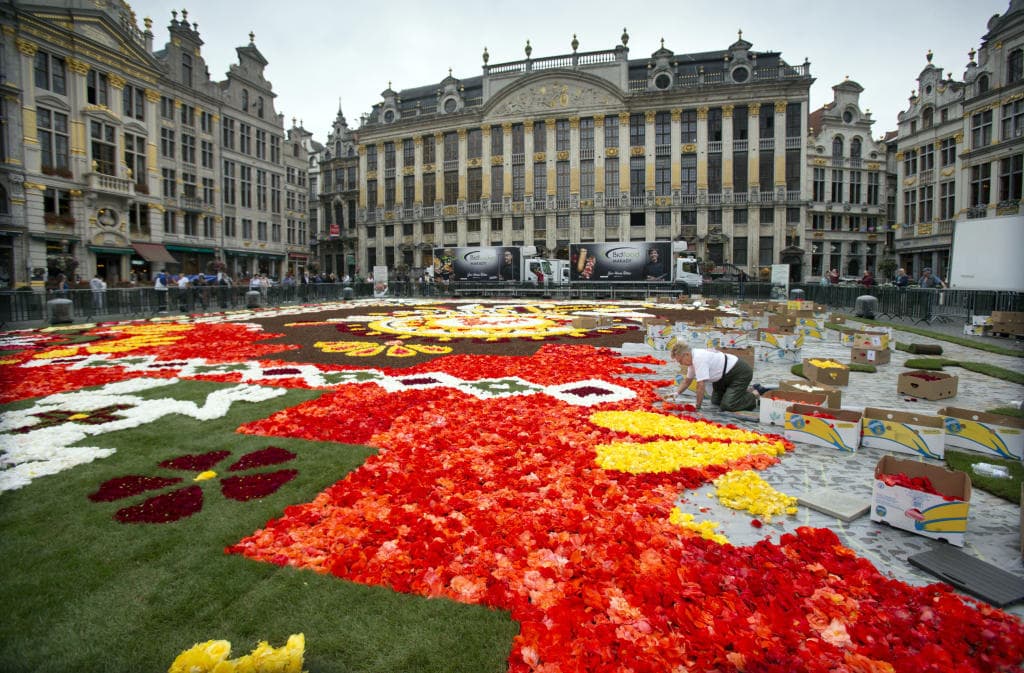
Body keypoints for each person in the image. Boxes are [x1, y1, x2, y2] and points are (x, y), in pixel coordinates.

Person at [670, 342, 758, 412]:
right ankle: (741, 392)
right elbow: (687, 381)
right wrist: (676, 393)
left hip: (739, 372)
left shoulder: (699, 358)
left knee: (728, 405)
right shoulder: (692, 361)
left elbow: (700, 386)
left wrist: (697, 407)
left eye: (680, 361)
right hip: (722, 377)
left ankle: (753, 396)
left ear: (687, 354)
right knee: (716, 401)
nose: (681, 364)